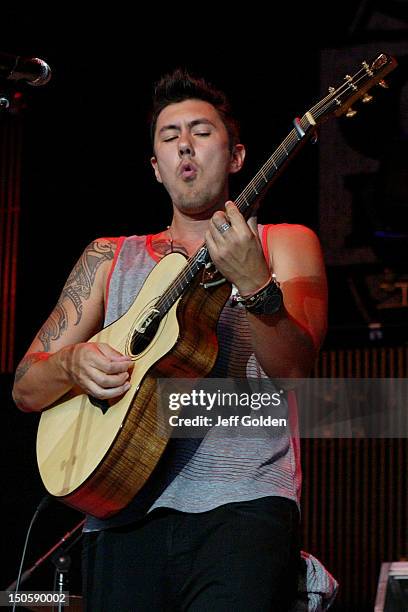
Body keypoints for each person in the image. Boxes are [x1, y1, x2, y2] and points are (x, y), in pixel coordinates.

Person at [13, 68, 328, 611]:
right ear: (156, 168)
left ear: (235, 157)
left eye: (202, 132)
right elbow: (25, 386)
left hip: (243, 508)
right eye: (169, 135)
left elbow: (295, 374)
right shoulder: (109, 257)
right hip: (119, 514)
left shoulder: (283, 243)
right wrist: (71, 365)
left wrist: (254, 285)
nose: (185, 143)